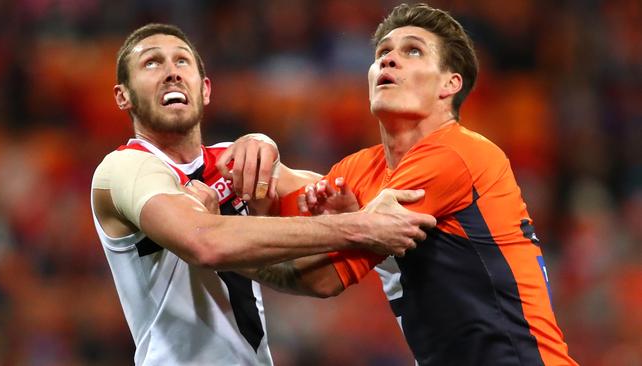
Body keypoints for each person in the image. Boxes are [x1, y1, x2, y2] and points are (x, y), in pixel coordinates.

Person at [232, 3, 578, 365]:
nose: (389, 59)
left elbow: (319, 278)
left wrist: (218, 247)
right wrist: (255, 148)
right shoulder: (361, 171)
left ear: (450, 83)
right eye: (382, 52)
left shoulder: (459, 156)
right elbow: (271, 198)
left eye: (412, 50)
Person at [89, 23, 436, 366]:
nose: (171, 73)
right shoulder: (123, 169)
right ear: (124, 96)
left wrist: (348, 214)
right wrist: (358, 225)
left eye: (182, 62)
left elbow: (319, 281)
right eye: (151, 63)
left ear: (205, 89)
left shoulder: (234, 162)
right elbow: (205, 242)